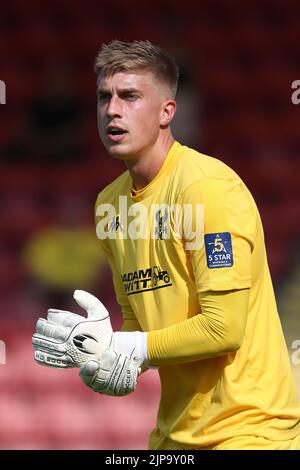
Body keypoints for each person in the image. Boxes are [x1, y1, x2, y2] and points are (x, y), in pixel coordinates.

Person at [32, 40, 300, 450]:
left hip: (250, 432)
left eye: (130, 96)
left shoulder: (206, 189)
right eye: (104, 97)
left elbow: (223, 328)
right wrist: (103, 355)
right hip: (173, 438)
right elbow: (140, 326)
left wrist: (134, 347)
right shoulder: (110, 204)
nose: (112, 110)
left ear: (166, 112)